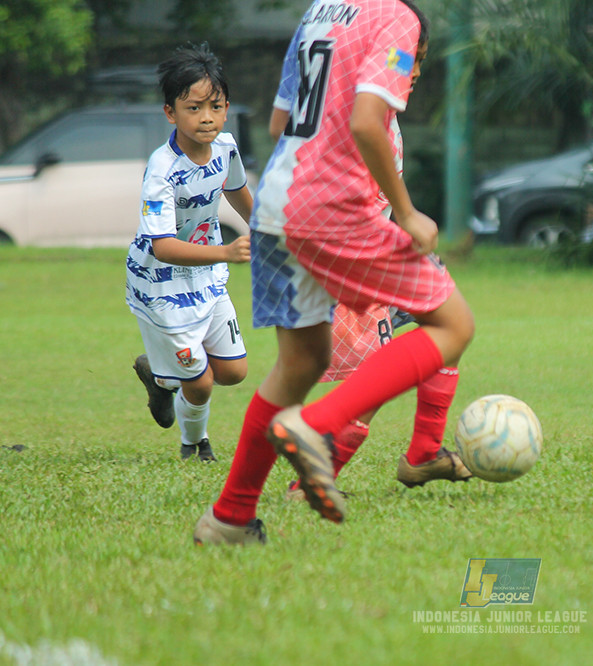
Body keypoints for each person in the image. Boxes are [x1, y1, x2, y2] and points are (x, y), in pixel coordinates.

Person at [193, 0, 475, 546]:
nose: (415, 66)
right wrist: (407, 212)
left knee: (300, 365)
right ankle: (316, 428)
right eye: (417, 59)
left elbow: (279, 122)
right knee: (453, 325)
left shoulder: (320, 12)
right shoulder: (398, 19)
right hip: (333, 210)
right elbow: (367, 121)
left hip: (277, 205)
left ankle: (229, 518)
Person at [265, 34, 467, 500]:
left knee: (448, 321)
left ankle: (423, 451)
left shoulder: (379, 113)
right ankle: (307, 482)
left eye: (419, 60)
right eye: (409, 59)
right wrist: (403, 221)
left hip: (366, 250)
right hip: (348, 259)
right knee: (373, 383)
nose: (414, 71)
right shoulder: (359, 118)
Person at [127, 43, 254, 463]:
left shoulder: (226, 148)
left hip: (205, 274)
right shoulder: (162, 169)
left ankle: (161, 379)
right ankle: (195, 446)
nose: (206, 117)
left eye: (215, 107)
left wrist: (266, 231)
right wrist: (225, 252)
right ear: (171, 113)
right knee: (199, 383)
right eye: (194, 108)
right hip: (160, 282)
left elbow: (236, 190)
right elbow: (162, 247)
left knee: (233, 372)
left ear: (227, 109)